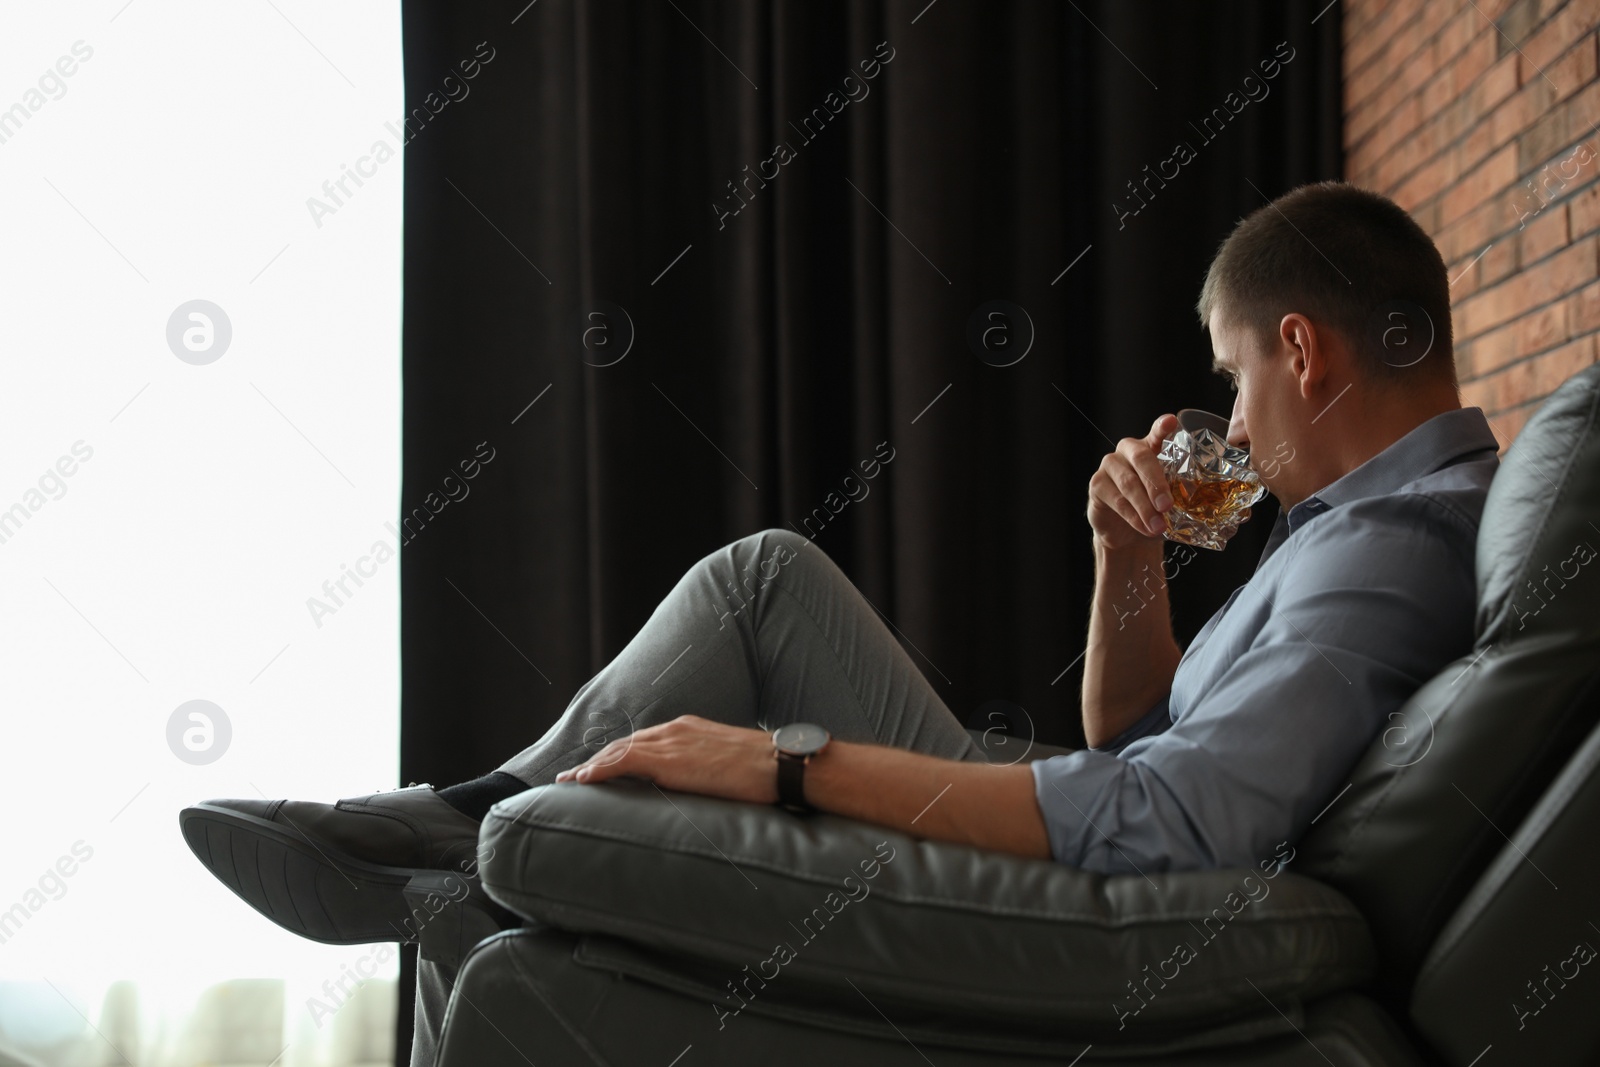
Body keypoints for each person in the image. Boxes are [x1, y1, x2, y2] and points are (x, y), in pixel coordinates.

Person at [179, 180, 1499, 1063]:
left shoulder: (1385, 552)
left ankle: (449, 823)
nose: (1233, 409)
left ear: (1305, 353)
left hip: (1130, 871)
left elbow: (1175, 816)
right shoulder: (1353, 526)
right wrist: (1127, 555)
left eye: (1234, 372)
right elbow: (1139, 729)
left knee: (753, 595)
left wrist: (788, 765)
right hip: (1111, 804)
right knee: (766, 581)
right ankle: (461, 825)